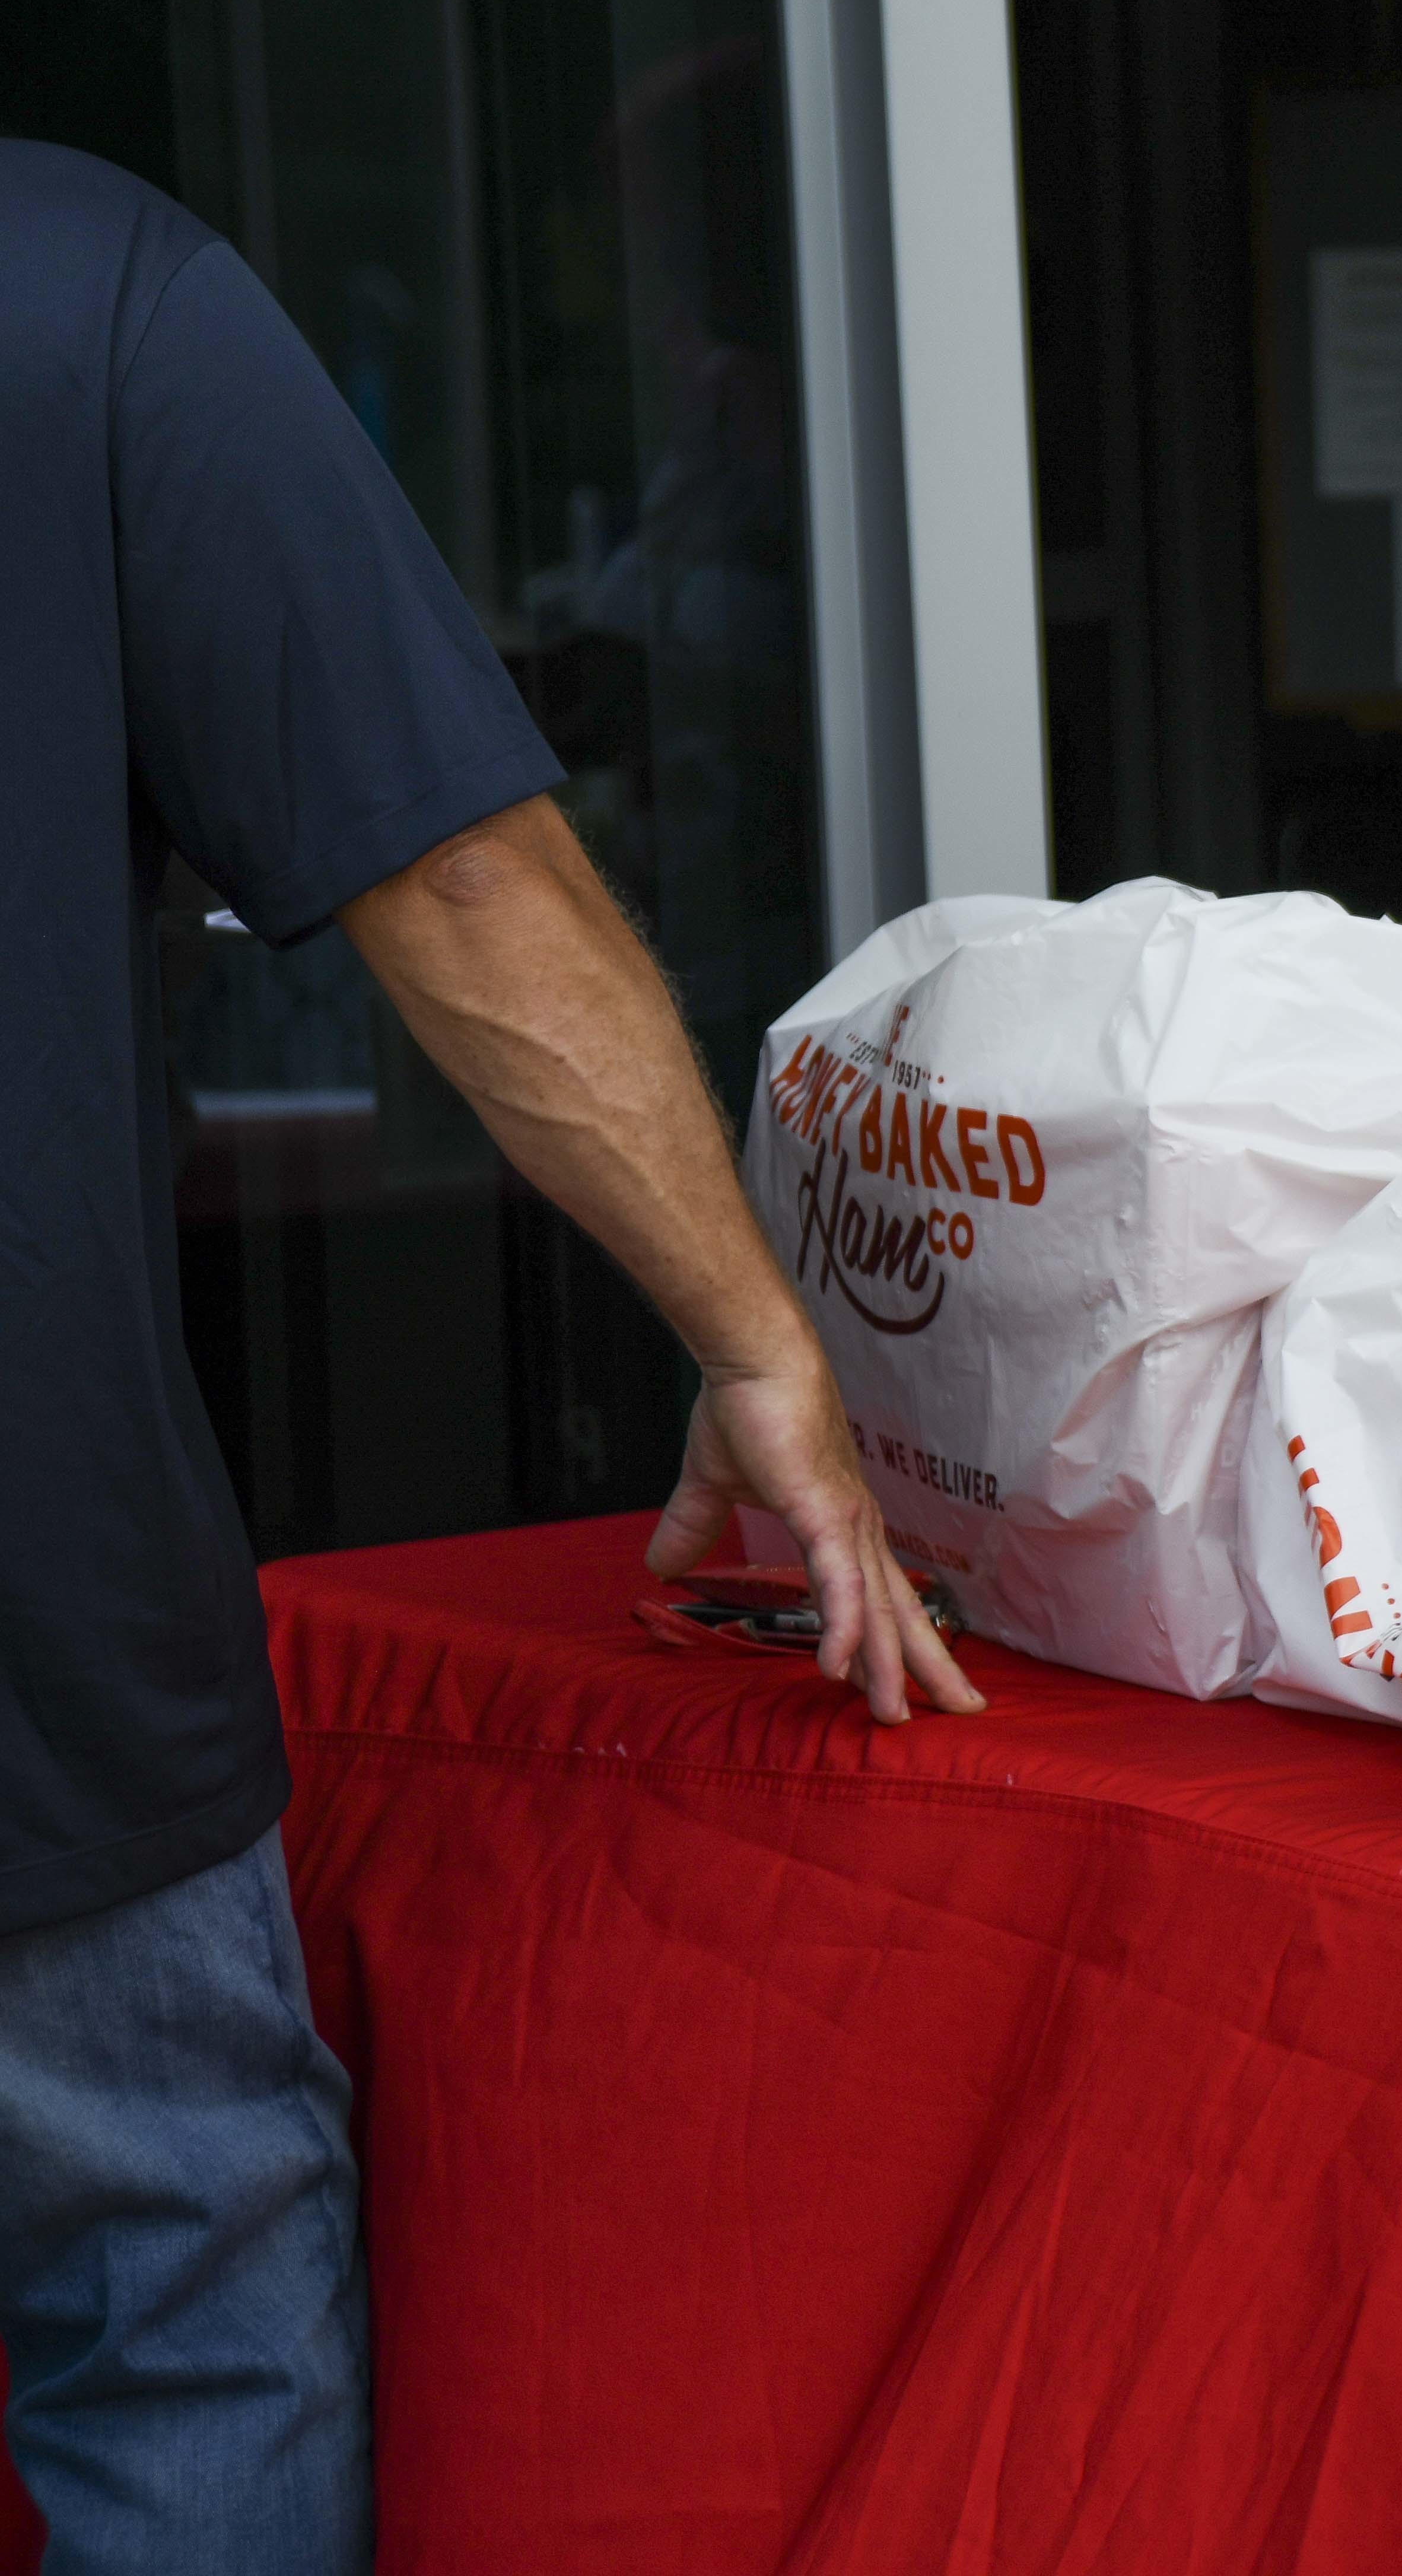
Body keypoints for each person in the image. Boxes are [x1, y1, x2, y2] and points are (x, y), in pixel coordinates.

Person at [2, 140, 970, 2568]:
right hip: (31, 1630)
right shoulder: (82, 293)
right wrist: (757, 1344)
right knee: (180, 2303)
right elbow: (459, 882)